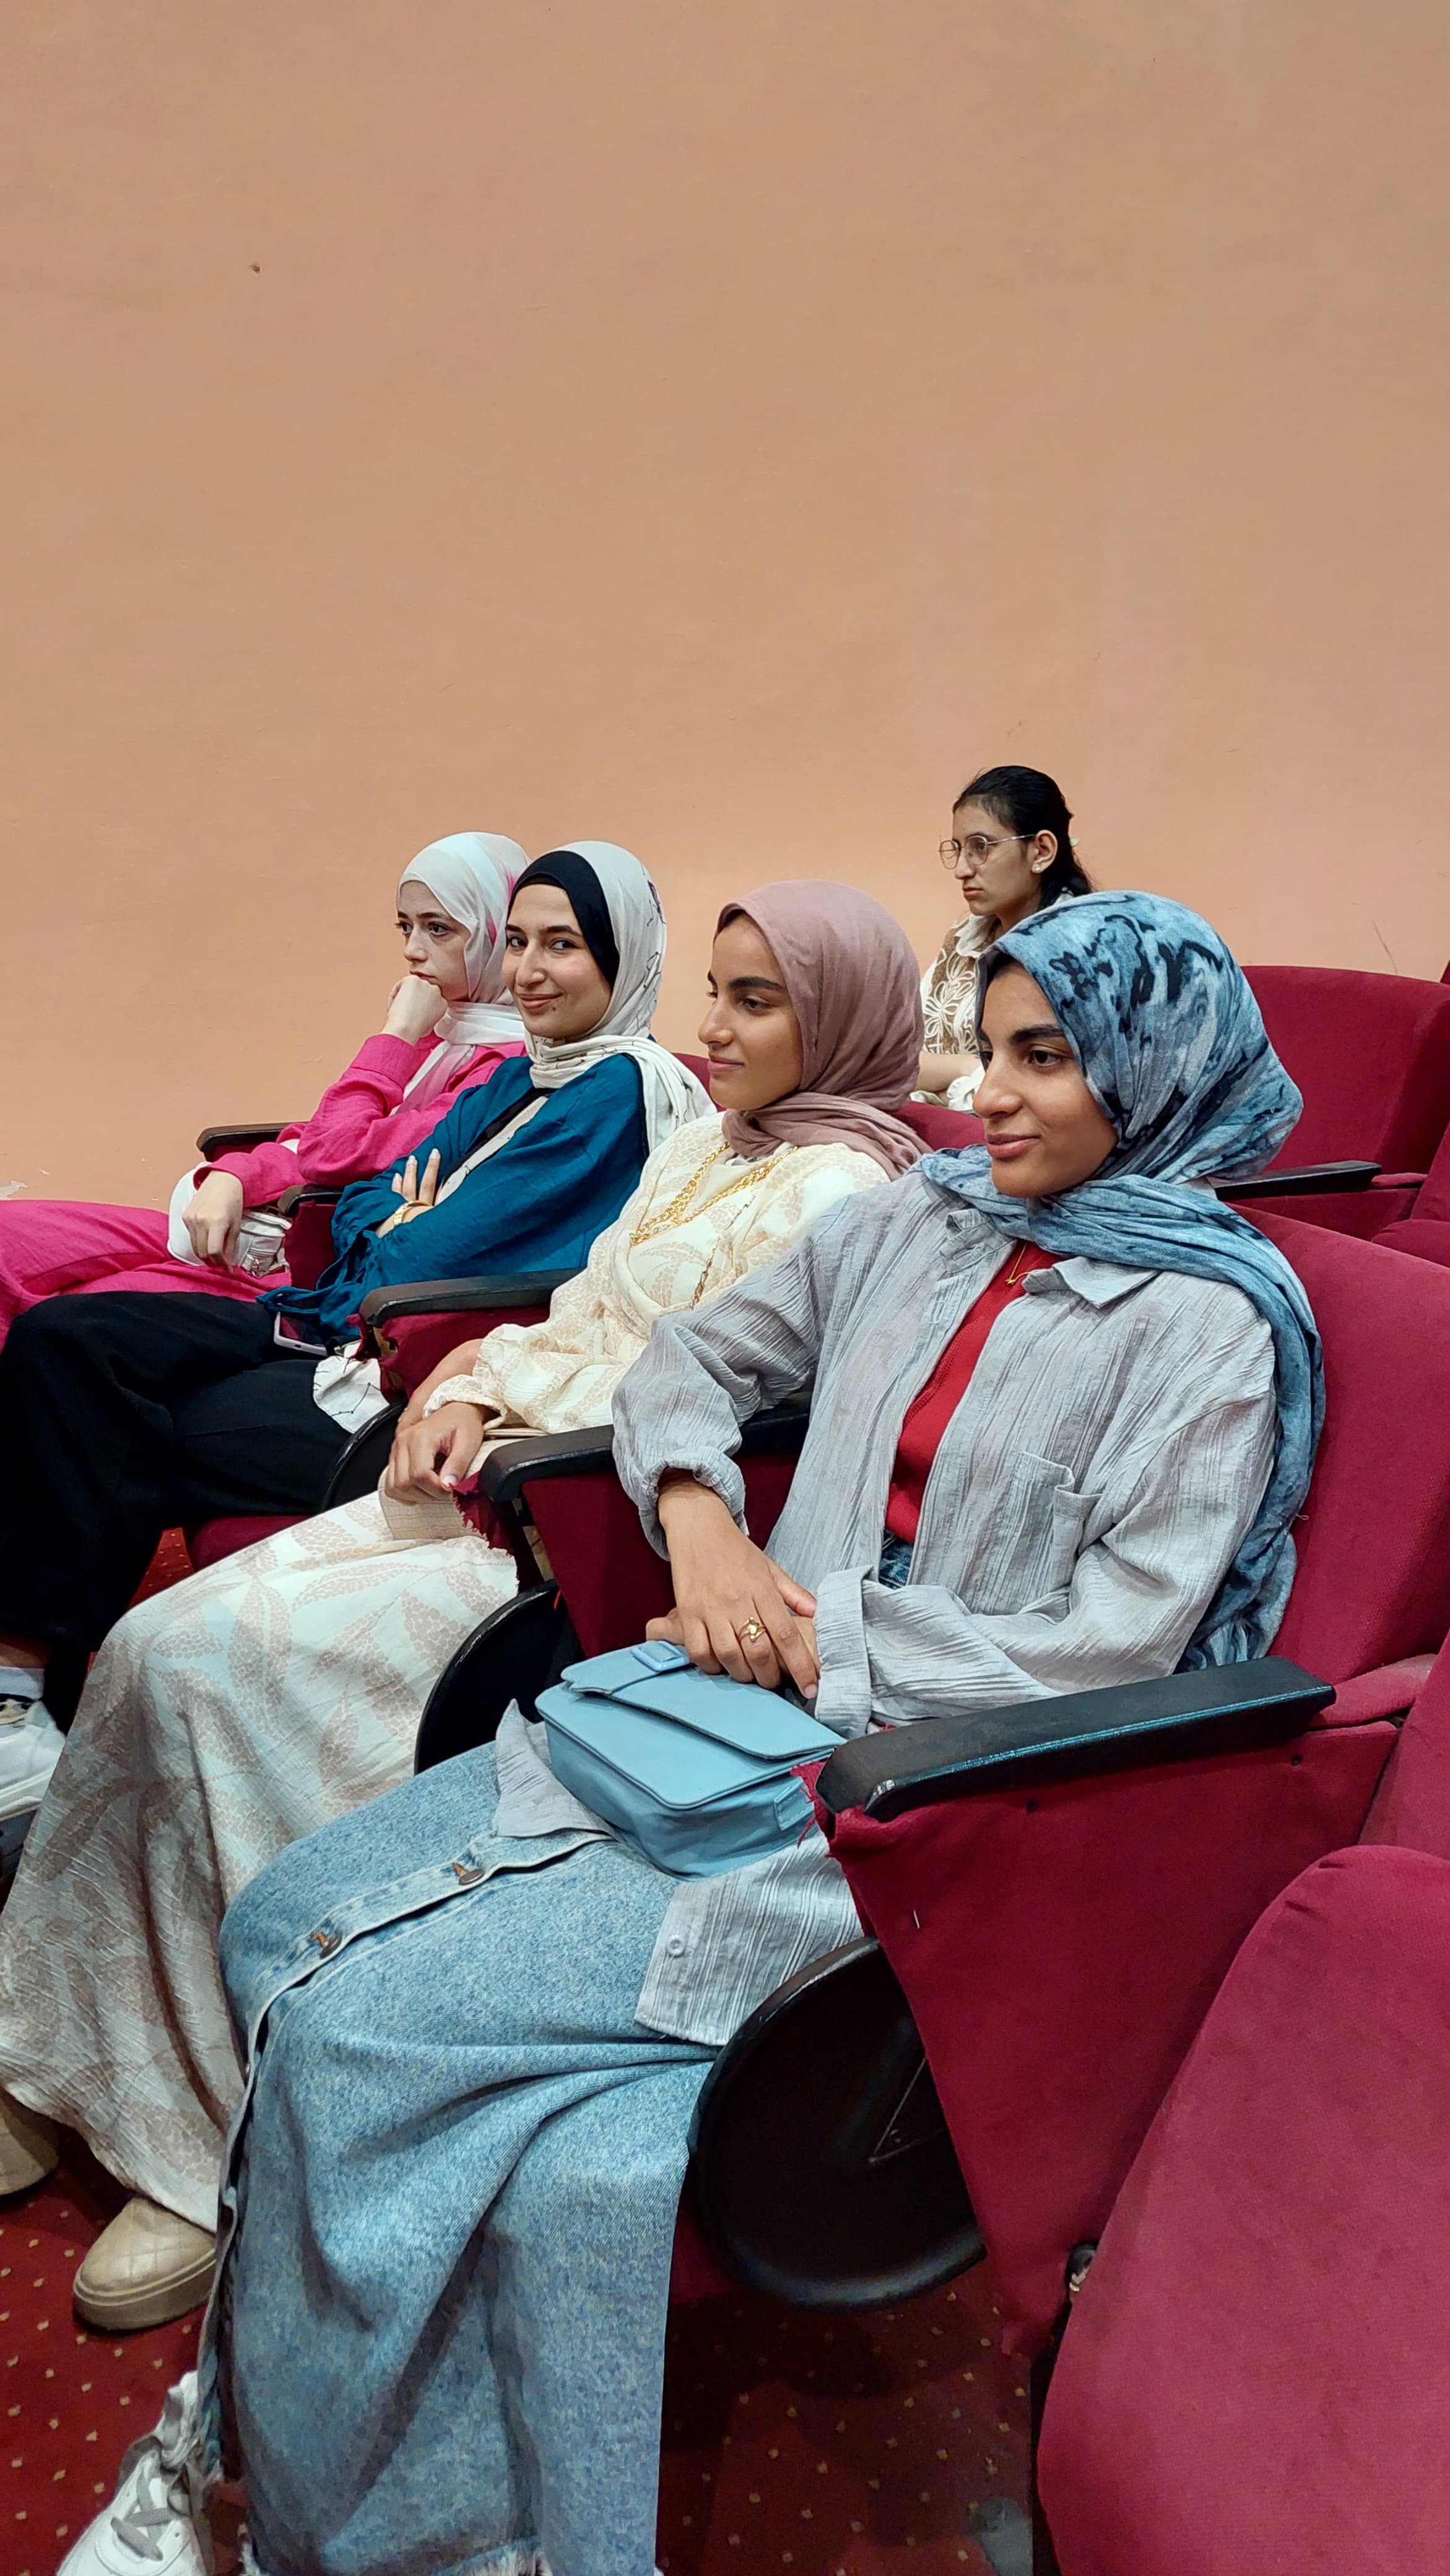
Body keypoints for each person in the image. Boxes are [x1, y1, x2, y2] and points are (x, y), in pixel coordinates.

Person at [59, 890, 1325, 2576]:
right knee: (280, 1919)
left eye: (1046, 1060)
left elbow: (1113, 1646)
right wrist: (699, 1520)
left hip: (896, 1812)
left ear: (1153, 1072)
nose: (990, 1095)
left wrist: (817, 1642)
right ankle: (343, 2463)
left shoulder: (1210, 1323)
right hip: (700, 1719)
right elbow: (690, 1362)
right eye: (992, 1050)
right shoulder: (926, 1215)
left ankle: (319, 2518)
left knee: (350, 2027)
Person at [0, 880, 924, 2333]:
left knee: (211, 1669)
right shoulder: (713, 1143)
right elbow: (581, 1306)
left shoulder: (848, 1195)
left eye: (757, 1001)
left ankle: (212, 2136)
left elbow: (734, 1411)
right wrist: (472, 1378)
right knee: (146, 1644)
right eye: (717, 991)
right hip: (494, 1462)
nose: (716, 1027)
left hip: (582, 1533)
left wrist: (524, 1430)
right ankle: (64, 2055)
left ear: (845, 1016)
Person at [0, 843, 706, 1770]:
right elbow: (365, 1197)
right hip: (327, 1318)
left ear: (622, 958)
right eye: (518, 942)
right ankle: (24, 1695)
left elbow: (418, 1254)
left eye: (562, 945)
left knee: (110, 1419)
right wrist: (397, 1211)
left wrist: (401, 1215)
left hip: (400, 1370)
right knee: (66, 1340)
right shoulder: (524, 1075)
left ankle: (26, 1709)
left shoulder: (615, 1092)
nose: (529, 971)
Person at [0, 830, 529, 1340]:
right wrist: (235, 1175)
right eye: (405, 927)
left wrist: (396, 1034)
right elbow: (320, 1133)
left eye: (438, 929)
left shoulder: (505, 1069)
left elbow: (336, 1150)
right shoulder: (447, 1029)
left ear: (494, 936)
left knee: (59, 1321)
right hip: (256, 1223)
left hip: (305, 1269)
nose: (413, 950)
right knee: (10, 1237)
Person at [918, 762, 1092, 1108]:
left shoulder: (1077, 952)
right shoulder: (964, 940)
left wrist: (946, 1084)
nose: (962, 869)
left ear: (1042, 851)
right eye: (959, 849)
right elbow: (900, 1061)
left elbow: (1059, 1090)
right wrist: (965, 1069)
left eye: (981, 847)